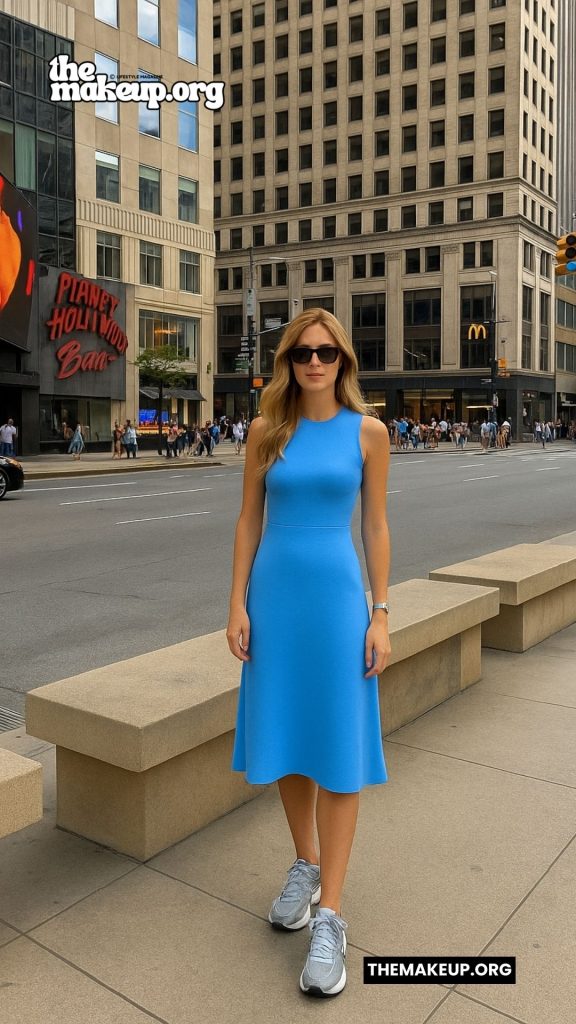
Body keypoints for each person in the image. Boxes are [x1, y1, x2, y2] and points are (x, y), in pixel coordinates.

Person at [227, 307, 391, 998]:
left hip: (337, 607)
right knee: (288, 743)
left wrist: (381, 612)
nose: (314, 362)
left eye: (326, 352)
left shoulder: (370, 433)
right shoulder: (266, 432)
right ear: (287, 362)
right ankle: (305, 861)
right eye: (302, 353)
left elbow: (377, 526)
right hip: (275, 602)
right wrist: (235, 603)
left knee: (340, 749)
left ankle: (332, 914)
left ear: (343, 362)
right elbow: (247, 520)